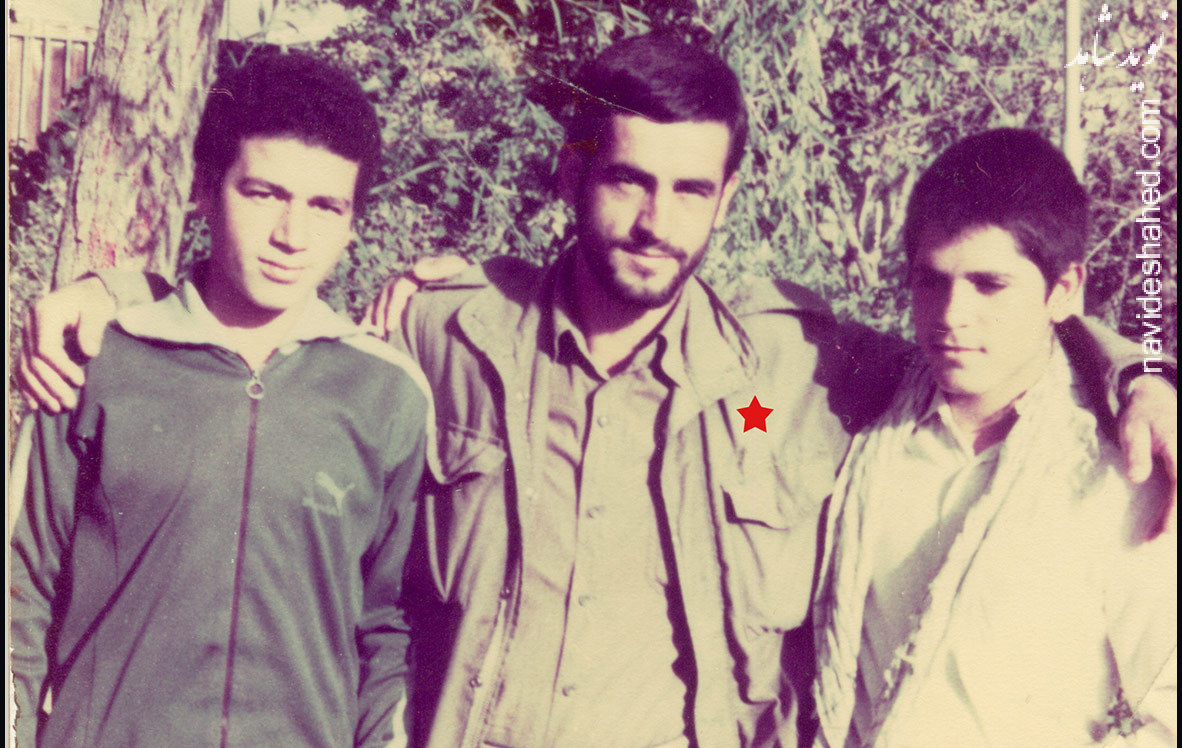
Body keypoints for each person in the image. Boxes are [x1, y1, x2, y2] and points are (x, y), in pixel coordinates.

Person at [14, 35, 1178, 748]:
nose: (656, 221)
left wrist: (1136, 366)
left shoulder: (791, 366)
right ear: (576, 175)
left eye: (691, 189)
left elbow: (984, 333)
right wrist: (112, 295)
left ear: (727, 195)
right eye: (628, 180)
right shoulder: (449, 332)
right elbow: (270, 305)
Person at [9, 52, 430, 748]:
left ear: (353, 220)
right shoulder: (93, 360)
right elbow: (18, 593)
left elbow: (388, 632)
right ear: (204, 189)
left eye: (325, 206)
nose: (292, 237)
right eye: (263, 194)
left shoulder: (387, 394)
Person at [811, 129, 1177, 746]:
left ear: (1064, 290)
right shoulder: (861, 424)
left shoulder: (1121, 472)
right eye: (931, 280)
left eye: (990, 284)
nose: (952, 315)